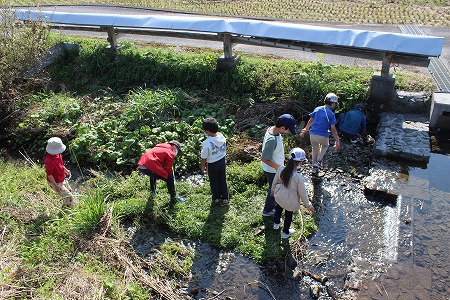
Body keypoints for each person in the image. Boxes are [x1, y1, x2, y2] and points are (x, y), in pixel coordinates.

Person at [272, 148, 315, 238]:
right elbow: (303, 194)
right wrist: (308, 205)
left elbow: (275, 181)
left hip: (279, 195)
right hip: (290, 200)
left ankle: (276, 224)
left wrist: (272, 191)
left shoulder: (281, 169)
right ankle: (285, 232)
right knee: (288, 215)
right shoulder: (298, 177)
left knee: (278, 208)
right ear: (300, 163)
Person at [261, 114, 297, 217]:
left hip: (275, 168)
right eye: (288, 130)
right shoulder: (272, 140)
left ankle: (274, 204)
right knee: (274, 189)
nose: (289, 132)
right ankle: (267, 210)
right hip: (271, 170)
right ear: (282, 128)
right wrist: (279, 168)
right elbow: (264, 158)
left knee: (276, 187)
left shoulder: (272, 129)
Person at [300, 93, 341, 174]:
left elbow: (311, 120)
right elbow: (333, 129)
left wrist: (306, 129)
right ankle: (318, 161)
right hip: (323, 136)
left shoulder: (317, 109)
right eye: (335, 104)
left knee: (315, 149)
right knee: (325, 146)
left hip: (312, 135)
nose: (335, 105)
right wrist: (337, 140)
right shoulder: (331, 114)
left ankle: (314, 168)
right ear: (333, 103)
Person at [200, 117, 229, 206]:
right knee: (222, 179)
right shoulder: (222, 136)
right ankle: (225, 198)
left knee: (214, 181)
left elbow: (204, 158)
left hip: (212, 164)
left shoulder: (207, 143)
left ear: (207, 131)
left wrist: (203, 168)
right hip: (222, 161)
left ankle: (216, 198)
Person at [44, 137, 74, 207]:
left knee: (69, 190)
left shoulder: (57, 155)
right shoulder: (49, 161)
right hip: (55, 182)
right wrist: (56, 186)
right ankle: (66, 211)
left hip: (61, 178)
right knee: (69, 197)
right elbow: (49, 175)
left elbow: (60, 164)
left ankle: (66, 204)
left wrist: (65, 170)